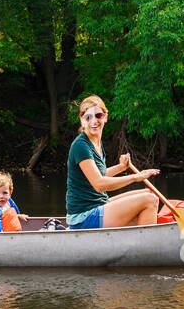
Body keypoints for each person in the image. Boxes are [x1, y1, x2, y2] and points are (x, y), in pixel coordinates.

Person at [65, 94, 161, 229]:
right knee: (150, 201)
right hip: (84, 217)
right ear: (82, 120)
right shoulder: (81, 145)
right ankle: (146, 246)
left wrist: (122, 167)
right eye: (88, 117)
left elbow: (99, 174)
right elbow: (99, 184)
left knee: (150, 193)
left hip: (98, 205)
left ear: (105, 117)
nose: (94, 121)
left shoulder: (96, 141)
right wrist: (135, 177)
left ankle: (138, 239)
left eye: (98, 115)